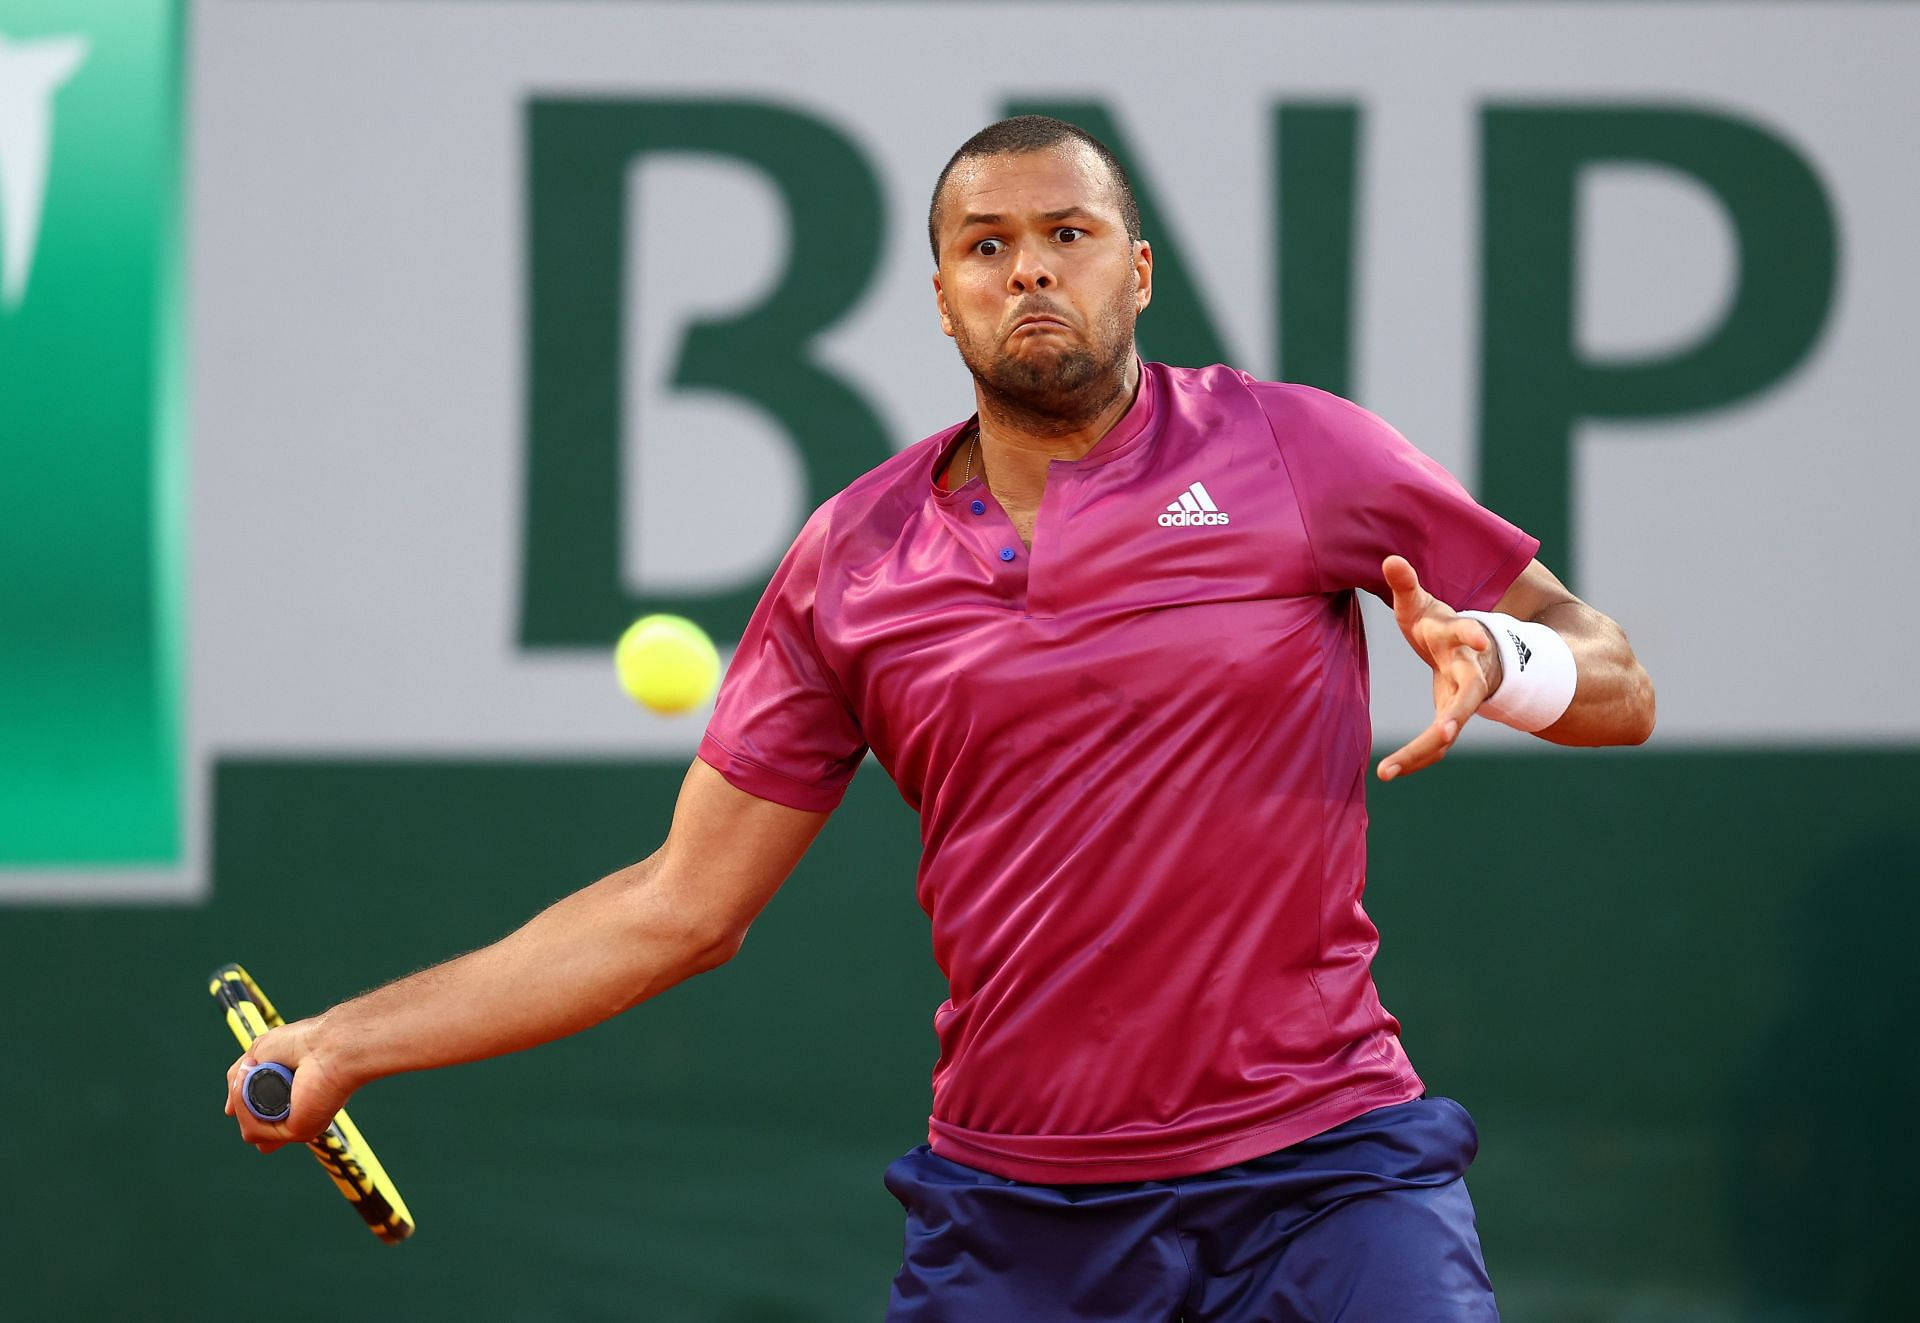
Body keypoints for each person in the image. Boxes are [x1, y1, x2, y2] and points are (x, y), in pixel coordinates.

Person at [226, 116, 1655, 1320]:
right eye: (986, 245)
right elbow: (681, 908)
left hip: (1328, 1173)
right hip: (1020, 1216)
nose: (1030, 265)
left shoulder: (1300, 451)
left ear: (1139, 270)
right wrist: (354, 1040)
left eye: (1068, 234)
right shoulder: (852, 560)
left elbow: (1617, 680)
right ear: (943, 295)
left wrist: (1506, 660)